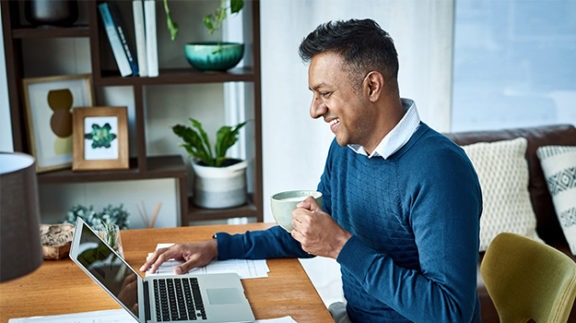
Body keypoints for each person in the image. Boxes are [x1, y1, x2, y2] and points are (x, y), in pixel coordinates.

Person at [141, 19, 482, 322]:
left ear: (372, 86)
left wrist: (343, 247)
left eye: (325, 93)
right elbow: (309, 234)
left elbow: (450, 311)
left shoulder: (440, 170)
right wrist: (217, 248)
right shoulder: (346, 150)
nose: (315, 110)